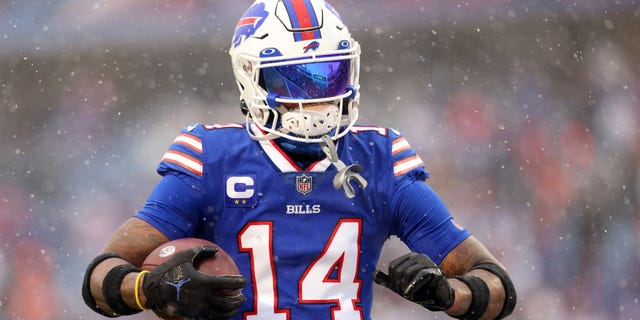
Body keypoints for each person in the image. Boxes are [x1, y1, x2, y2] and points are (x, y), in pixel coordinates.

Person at [81, 0, 517, 319]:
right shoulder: (211, 161)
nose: (319, 95)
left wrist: (448, 294)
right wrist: (151, 287)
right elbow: (100, 280)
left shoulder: (378, 161)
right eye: (295, 79)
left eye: (329, 73)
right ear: (252, 79)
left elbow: (497, 287)